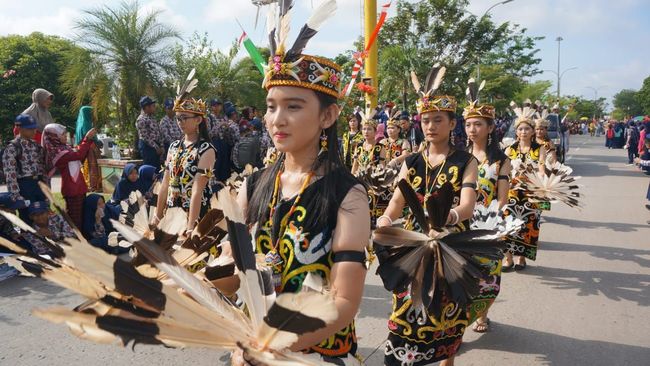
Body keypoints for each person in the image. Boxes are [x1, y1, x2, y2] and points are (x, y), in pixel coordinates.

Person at [219, 9, 369, 364]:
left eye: (294, 106)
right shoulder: (253, 184)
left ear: (327, 116)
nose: (277, 119)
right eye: (271, 107)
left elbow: (345, 301)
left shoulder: (347, 194)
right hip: (249, 348)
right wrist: (188, 281)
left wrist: (278, 347)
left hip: (314, 352)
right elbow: (229, 269)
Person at [377, 65, 479, 366]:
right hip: (413, 243)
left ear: (451, 124)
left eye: (438, 120)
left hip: (450, 241)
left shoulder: (465, 161)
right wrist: (384, 220)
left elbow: (467, 205)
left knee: (445, 307)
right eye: (426, 120)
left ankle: (446, 357)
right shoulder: (412, 161)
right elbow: (397, 201)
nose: (431, 126)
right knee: (405, 303)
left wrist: (446, 218)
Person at [463, 79, 511, 333]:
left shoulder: (501, 161)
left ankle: (482, 314)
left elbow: (502, 197)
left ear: (490, 127)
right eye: (468, 124)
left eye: (478, 124)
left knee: (487, 274)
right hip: (461, 222)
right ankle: (457, 323)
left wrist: (490, 217)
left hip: (487, 223)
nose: (472, 129)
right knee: (459, 274)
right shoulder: (459, 156)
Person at [154, 74, 216, 236]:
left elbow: (197, 190)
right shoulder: (173, 147)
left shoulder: (206, 149)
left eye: (184, 118)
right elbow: (165, 183)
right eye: (178, 118)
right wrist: (157, 215)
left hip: (195, 214)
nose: (180, 122)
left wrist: (191, 226)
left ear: (198, 120)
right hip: (172, 213)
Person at [503, 101, 547, 271]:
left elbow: (542, 167)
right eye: (520, 129)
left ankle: (521, 258)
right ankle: (508, 259)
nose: (523, 132)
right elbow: (504, 171)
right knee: (507, 224)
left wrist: (539, 177)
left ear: (532, 131)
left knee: (527, 224)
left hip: (530, 191)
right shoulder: (510, 149)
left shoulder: (539, 149)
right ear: (516, 131)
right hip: (512, 191)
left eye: (527, 129)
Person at [42, 123, 97, 229]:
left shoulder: (65, 148)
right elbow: (78, 154)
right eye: (62, 135)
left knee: (81, 216)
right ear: (54, 137)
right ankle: (76, 240)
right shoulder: (57, 152)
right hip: (72, 189)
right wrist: (86, 139)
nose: (65, 136)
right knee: (75, 219)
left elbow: (79, 156)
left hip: (78, 187)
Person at [2, 114, 46, 223]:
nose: (34, 131)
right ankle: (28, 239)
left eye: (34, 128)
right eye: (30, 128)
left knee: (43, 216)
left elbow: (42, 168)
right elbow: (10, 173)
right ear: (20, 129)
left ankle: (42, 239)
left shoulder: (36, 146)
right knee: (28, 217)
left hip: (38, 184)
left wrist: (46, 187)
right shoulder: (12, 147)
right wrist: (16, 195)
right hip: (25, 186)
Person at [75, 106, 103, 192]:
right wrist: (98, 142)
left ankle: (87, 184)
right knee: (93, 166)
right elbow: (91, 136)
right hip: (90, 148)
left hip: (83, 148)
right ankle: (93, 185)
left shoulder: (79, 124)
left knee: (86, 166)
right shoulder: (86, 123)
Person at [136, 96, 163, 167]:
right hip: (148, 147)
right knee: (151, 169)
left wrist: (161, 146)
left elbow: (158, 132)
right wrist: (156, 147)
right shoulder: (141, 119)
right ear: (147, 107)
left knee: (158, 169)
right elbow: (145, 137)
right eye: (153, 106)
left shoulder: (152, 118)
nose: (154, 108)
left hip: (156, 146)